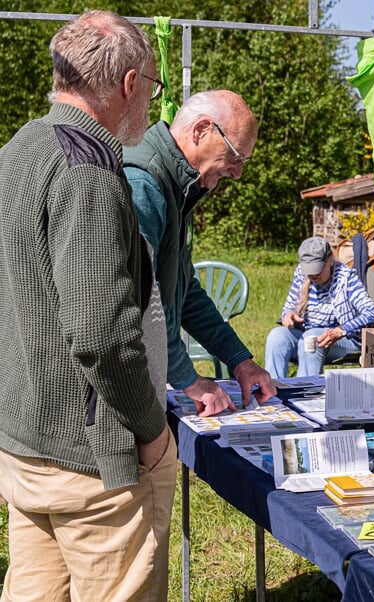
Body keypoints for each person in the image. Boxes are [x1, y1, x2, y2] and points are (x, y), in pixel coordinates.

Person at [0, 11, 177, 600]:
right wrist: (151, 432)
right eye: (150, 87)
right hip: (91, 465)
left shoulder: (19, 149)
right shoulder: (91, 171)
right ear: (129, 85)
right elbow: (102, 335)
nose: (149, 104)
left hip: (26, 444)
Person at [125, 90, 276, 416]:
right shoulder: (144, 184)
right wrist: (189, 380)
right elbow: (139, 303)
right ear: (201, 130)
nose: (237, 173)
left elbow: (185, 292)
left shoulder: (180, 186)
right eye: (235, 156)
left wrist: (239, 360)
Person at [265, 237, 374, 378]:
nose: (313, 275)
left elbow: (371, 312)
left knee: (311, 339)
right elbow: (288, 307)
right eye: (309, 271)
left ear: (330, 260)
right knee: (277, 336)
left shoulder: (346, 277)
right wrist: (288, 315)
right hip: (307, 334)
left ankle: (305, 391)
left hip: (343, 340)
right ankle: (272, 392)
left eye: (317, 270)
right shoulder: (301, 273)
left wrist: (341, 331)